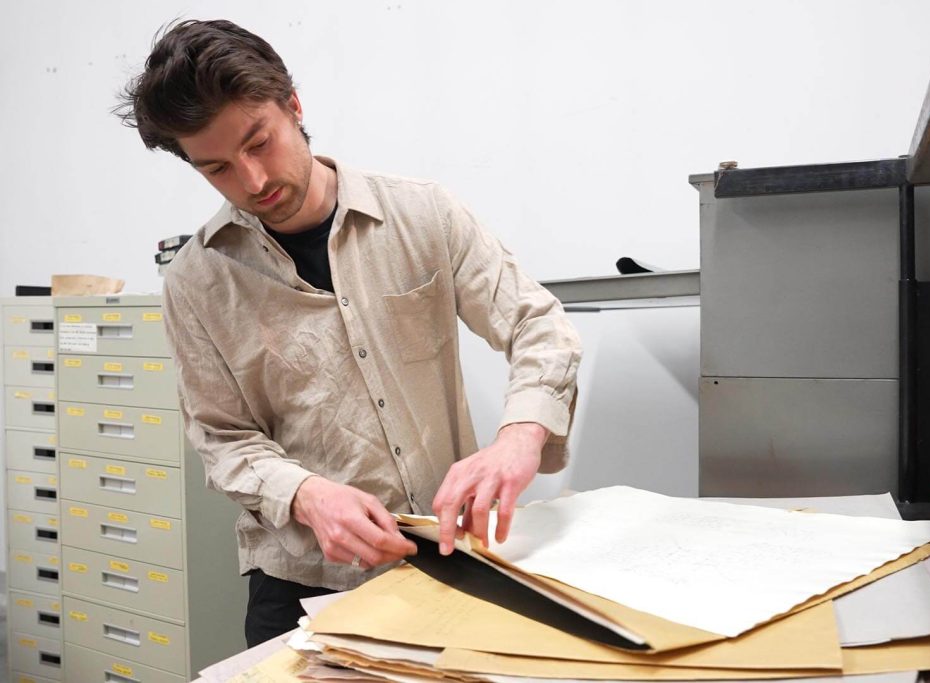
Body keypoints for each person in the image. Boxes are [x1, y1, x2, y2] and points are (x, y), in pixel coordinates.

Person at [116, 19, 582, 646]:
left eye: (260, 143)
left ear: (294, 106)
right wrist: (306, 495)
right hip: (301, 581)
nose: (253, 182)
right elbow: (223, 438)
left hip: (448, 556)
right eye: (218, 168)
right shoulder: (197, 282)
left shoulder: (423, 214)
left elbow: (536, 324)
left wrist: (520, 436)